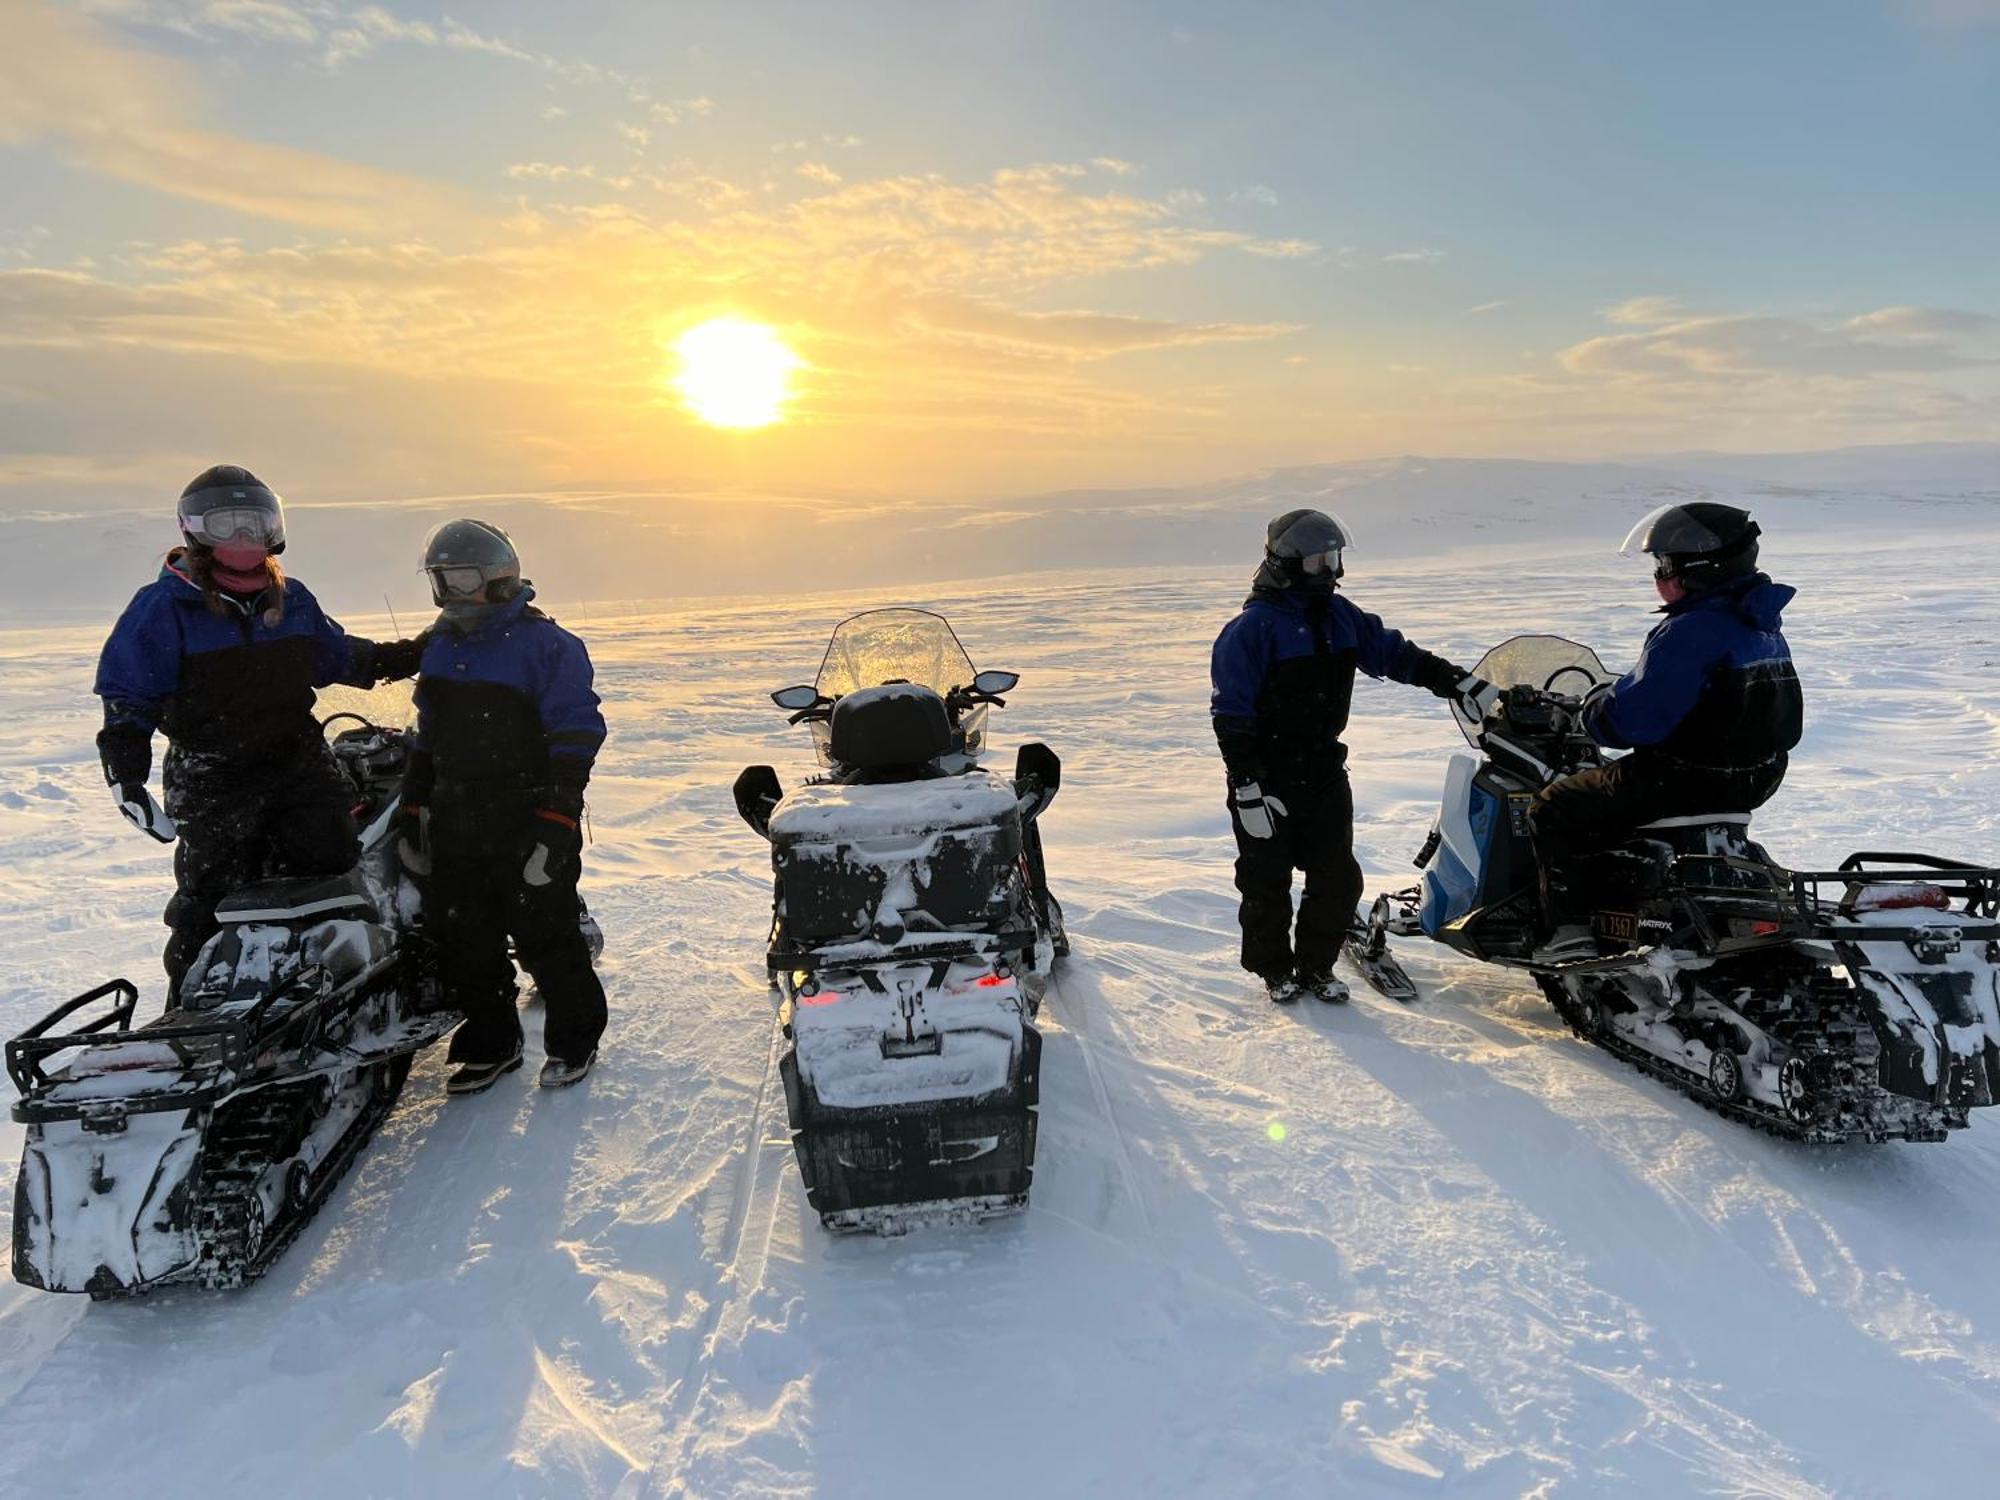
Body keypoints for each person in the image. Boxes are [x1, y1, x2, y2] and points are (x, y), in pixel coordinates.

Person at [94, 465, 427, 999]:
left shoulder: (289, 599)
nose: (245, 539)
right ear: (197, 530)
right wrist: (125, 775)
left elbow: (339, 657)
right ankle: (192, 1010)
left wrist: (415, 651)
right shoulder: (163, 608)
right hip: (213, 771)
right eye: (228, 525)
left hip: (297, 761)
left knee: (331, 872)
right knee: (212, 899)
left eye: (255, 524)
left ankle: (321, 992)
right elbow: (127, 694)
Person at [1211, 510, 1495, 1004]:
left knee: (1337, 876)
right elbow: (1232, 717)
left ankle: (1318, 965)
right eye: (1319, 561)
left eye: (1334, 558)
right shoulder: (1251, 630)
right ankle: (1275, 969)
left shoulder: (1339, 618)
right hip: (1268, 778)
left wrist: (1457, 681)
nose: (1331, 571)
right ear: (1286, 563)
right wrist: (1246, 786)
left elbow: (1396, 654)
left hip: (1323, 771)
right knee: (1265, 880)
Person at [1528, 502, 1802, 960]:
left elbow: (1634, 720)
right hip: (1751, 780)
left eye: (1664, 565)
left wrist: (1594, 710)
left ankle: (1568, 932)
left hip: (1683, 779)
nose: (1658, 574)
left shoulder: (1690, 630)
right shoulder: (1760, 625)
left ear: (1696, 570)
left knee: (1555, 806)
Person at [397, 519, 608, 1094]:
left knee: (544, 927)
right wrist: (414, 806)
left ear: (498, 577)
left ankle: (575, 1038)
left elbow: (576, 731)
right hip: (456, 811)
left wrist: (559, 817)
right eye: (441, 582)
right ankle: (492, 1040)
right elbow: (428, 733)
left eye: (461, 579)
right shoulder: (441, 644)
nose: (451, 595)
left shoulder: (548, 645)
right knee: (464, 933)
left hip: (527, 810)